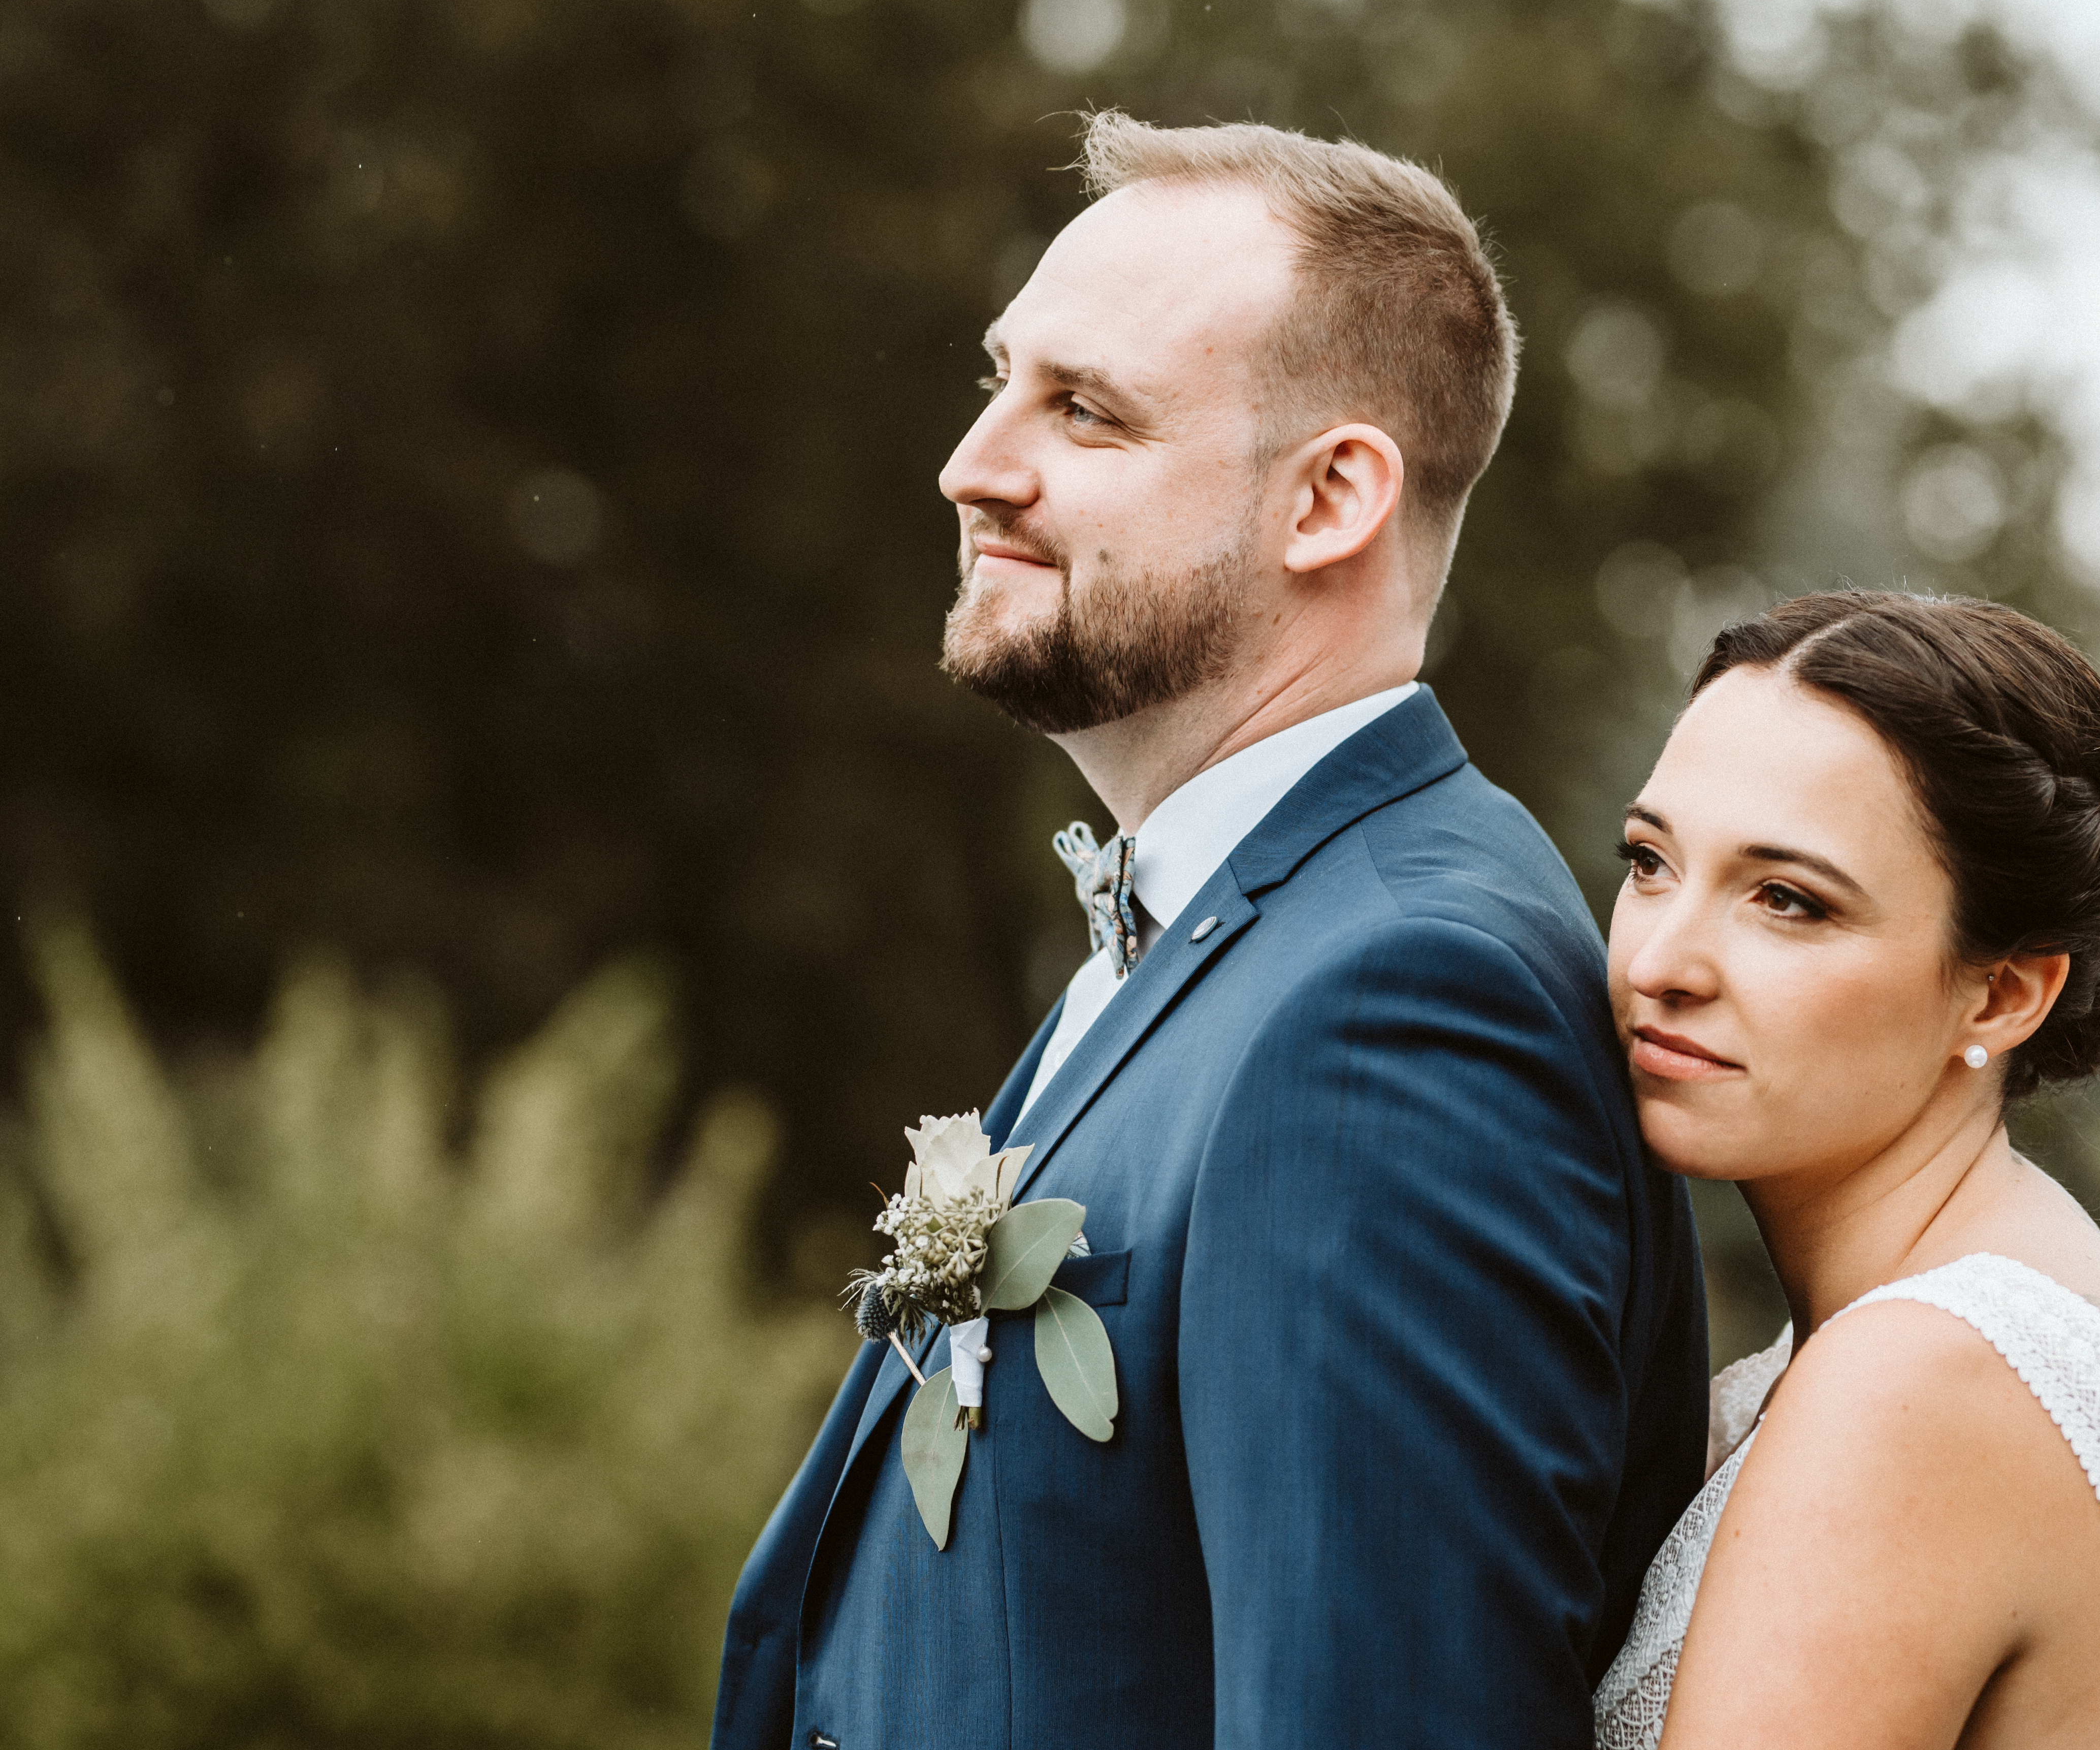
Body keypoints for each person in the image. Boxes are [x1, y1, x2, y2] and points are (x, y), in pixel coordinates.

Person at [708, 112, 1710, 1750]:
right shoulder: (1230, 929)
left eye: (1083, 411)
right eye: (997, 379)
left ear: (1327, 497)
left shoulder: (1402, 1004)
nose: (972, 465)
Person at [1593, 590, 2100, 1750]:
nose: (1661, 959)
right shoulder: (1967, 1319)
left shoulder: (1926, 1378)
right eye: (1650, 862)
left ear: (2001, 991)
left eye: (1786, 900)